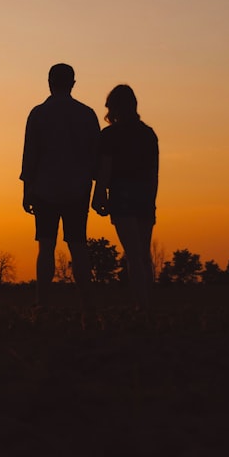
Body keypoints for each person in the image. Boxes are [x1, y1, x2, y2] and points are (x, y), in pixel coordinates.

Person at [21, 63, 100, 310]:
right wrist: (97, 188)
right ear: (73, 83)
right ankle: (87, 302)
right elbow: (96, 155)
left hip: (44, 188)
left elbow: (30, 154)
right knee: (78, 245)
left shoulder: (38, 113)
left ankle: (41, 301)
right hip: (77, 189)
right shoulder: (87, 114)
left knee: (46, 245)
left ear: (49, 82)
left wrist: (27, 190)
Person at [91, 84, 159, 311]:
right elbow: (154, 172)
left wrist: (99, 195)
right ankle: (147, 304)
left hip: (123, 195)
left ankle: (142, 306)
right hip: (145, 196)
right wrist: (151, 200)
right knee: (143, 253)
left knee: (133, 255)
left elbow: (105, 168)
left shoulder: (110, 135)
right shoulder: (148, 134)